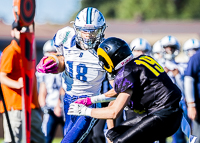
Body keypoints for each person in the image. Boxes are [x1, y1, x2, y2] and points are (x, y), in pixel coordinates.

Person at [68, 37, 183, 143]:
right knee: (113, 134)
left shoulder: (127, 72)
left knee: (120, 141)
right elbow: (117, 92)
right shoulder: (141, 61)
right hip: (167, 113)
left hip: (163, 115)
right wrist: (91, 100)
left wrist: (84, 111)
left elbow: (114, 112)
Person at [36, 7, 116, 143]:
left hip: (89, 102)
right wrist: (53, 63)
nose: (89, 35)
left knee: (69, 141)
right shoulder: (66, 37)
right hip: (69, 99)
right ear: (77, 29)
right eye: (85, 31)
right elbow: (62, 62)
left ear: (101, 30)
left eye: (93, 31)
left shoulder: (107, 50)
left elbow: (116, 88)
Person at [0, 21, 45, 143]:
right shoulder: (11, 51)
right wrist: (17, 84)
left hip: (30, 105)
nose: (22, 31)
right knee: (14, 140)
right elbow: (1, 77)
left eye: (24, 28)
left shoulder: (28, 50)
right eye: (18, 29)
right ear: (12, 32)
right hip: (16, 106)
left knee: (39, 139)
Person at [160, 35, 189, 143]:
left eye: (171, 47)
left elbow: (185, 89)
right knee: (161, 133)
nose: (169, 50)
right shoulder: (158, 65)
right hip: (163, 103)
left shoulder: (182, 66)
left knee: (179, 133)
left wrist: (177, 76)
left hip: (179, 102)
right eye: (167, 48)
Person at [36, 39, 65, 143]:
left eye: (54, 52)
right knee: (45, 138)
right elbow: (42, 90)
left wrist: (59, 104)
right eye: (49, 52)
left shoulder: (64, 68)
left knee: (69, 138)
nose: (52, 55)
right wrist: (43, 106)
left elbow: (63, 88)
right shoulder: (43, 72)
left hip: (64, 107)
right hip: (50, 108)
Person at [184, 39, 200, 143]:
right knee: (198, 137)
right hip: (199, 105)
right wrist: (191, 104)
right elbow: (188, 79)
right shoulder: (196, 57)